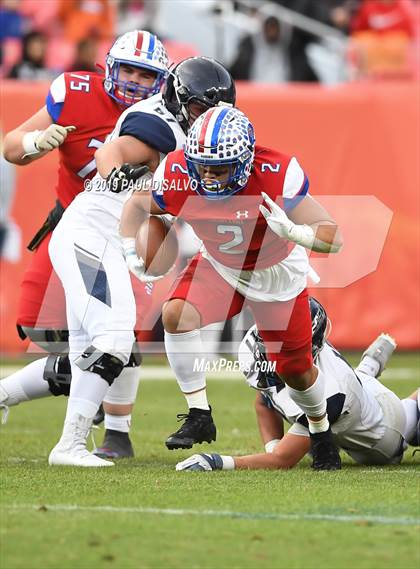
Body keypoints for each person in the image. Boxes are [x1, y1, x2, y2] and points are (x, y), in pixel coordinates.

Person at [120, 106, 344, 470]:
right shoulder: (178, 172)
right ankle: (199, 412)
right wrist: (132, 250)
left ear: (243, 162)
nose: (207, 176)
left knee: (295, 371)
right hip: (221, 267)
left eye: (218, 168)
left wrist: (296, 232)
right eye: (201, 166)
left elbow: (334, 238)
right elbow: (137, 206)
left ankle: (320, 430)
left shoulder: (276, 172)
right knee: (175, 314)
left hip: (276, 274)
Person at [47, 56, 236, 467]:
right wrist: (115, 172)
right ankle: (70, 446)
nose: (207, 118)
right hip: (92, 233)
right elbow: (116, 150)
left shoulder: (193, 131)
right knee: (114, 336)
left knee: (89, 347)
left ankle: (67, 441)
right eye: (202, 108)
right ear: (180, 98)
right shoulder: (160, 124)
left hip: (107, 239)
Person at [1, 30, 168, 459]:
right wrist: (37, 142)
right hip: (73, 224)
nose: (132, 80)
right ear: (108, 67)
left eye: (144, 74)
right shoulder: (75, 92)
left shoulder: (164, 117)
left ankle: (117, 432)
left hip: (128, 231)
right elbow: (11, 146)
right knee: (40, 325)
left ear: (162, 82)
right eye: (126, 69)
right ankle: (25, 394)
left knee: (120, 333)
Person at [176, 298, 418, 471]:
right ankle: (368, 367)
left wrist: (217, 462)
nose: (273, 352)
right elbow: (264, 401)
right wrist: (272, 447)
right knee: (349, 394)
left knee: (411, 416)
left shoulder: (331, 393)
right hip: (355, 393)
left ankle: (370, 369)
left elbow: (283, 460)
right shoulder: (252, 349)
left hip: (383, 430)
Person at [229, 15, 291, 83]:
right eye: (269, 28)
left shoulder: (291, 51)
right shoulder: (248, 51)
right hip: (256, 90)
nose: (272, 32)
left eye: (274, 28)